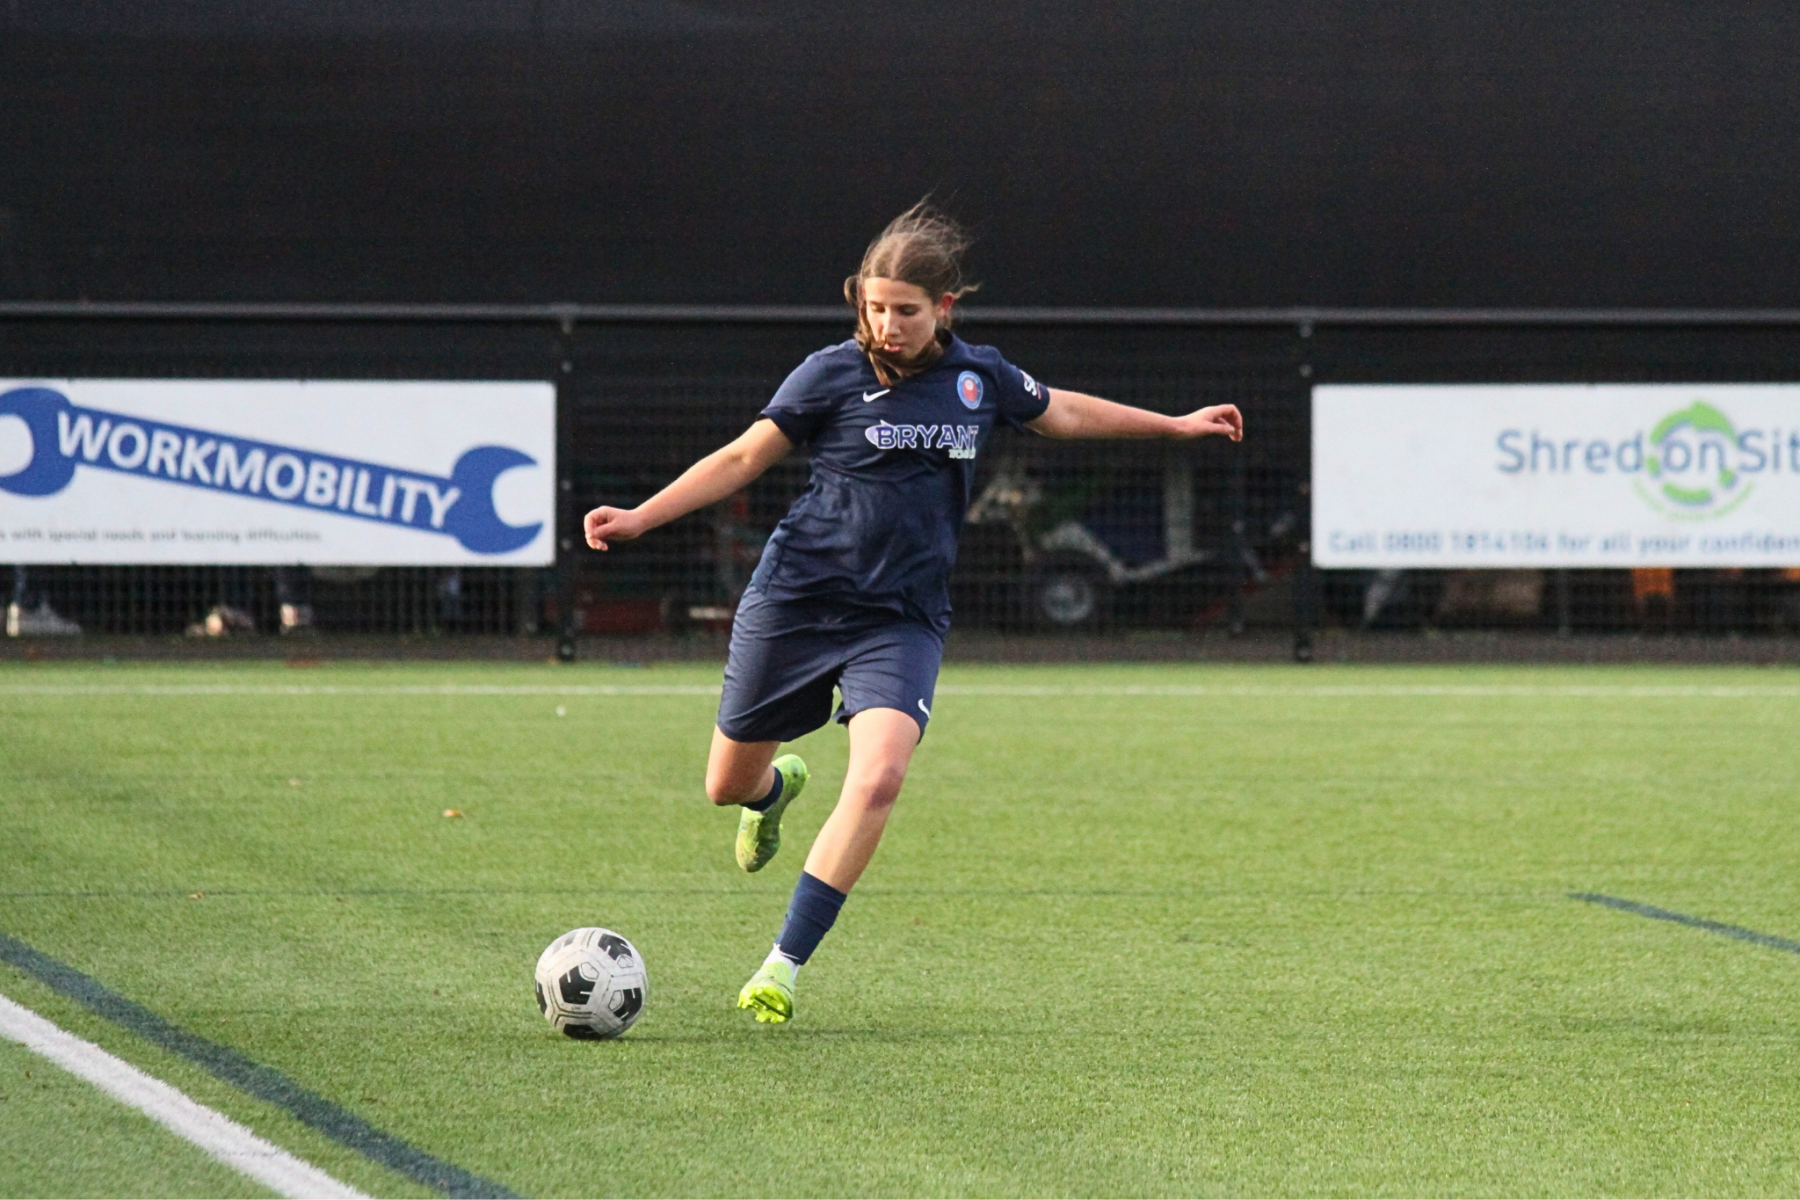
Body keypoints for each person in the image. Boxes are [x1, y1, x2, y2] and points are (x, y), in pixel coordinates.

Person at [583, 202, 1243, 1023]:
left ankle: (783, 966)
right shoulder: (828, 373)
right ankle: (771, 794)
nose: (887, 326)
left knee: (881, 777)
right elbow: (744, 456)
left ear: (945, 308)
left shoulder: (979, 378)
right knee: (725, 785)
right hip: (797, 600)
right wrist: (640, 517)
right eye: (875, 308)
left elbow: (1064, 411)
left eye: (906, 310)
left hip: (901, 617)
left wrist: (1174, 426)